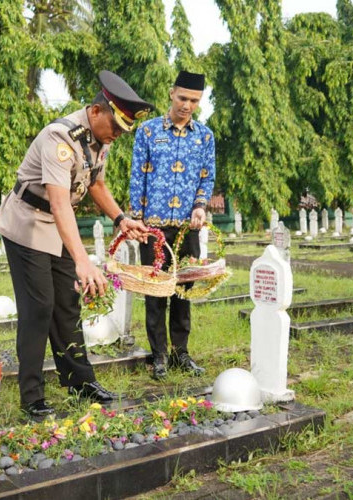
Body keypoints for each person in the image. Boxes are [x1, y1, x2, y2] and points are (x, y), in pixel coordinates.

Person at [0, 71, 151, 417]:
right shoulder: (59, 138)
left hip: (55, 224)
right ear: (96, 112)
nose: (118, 137)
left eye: (124, 131)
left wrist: (121, 219)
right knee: (39, 308)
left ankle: (80, 382)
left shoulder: (98, 141)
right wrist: (83, 261)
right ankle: (31, 396)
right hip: (27, 224)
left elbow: (95, 184)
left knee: (67, 303)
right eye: (116, 127)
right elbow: (60, 202)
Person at [129, 70, 215, 380]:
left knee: (183, 292)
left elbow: (207, 177)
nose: (187, 105)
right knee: (156, 294)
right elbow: (137, 176)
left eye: (194, 101)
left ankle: (182, 354)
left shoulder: (205, 136)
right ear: (171, 94)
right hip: (152, 227)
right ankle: (159, 356)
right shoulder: (148, 132)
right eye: (182, 98)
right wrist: (135, 218)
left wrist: (200, 206)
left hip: (186, 228)